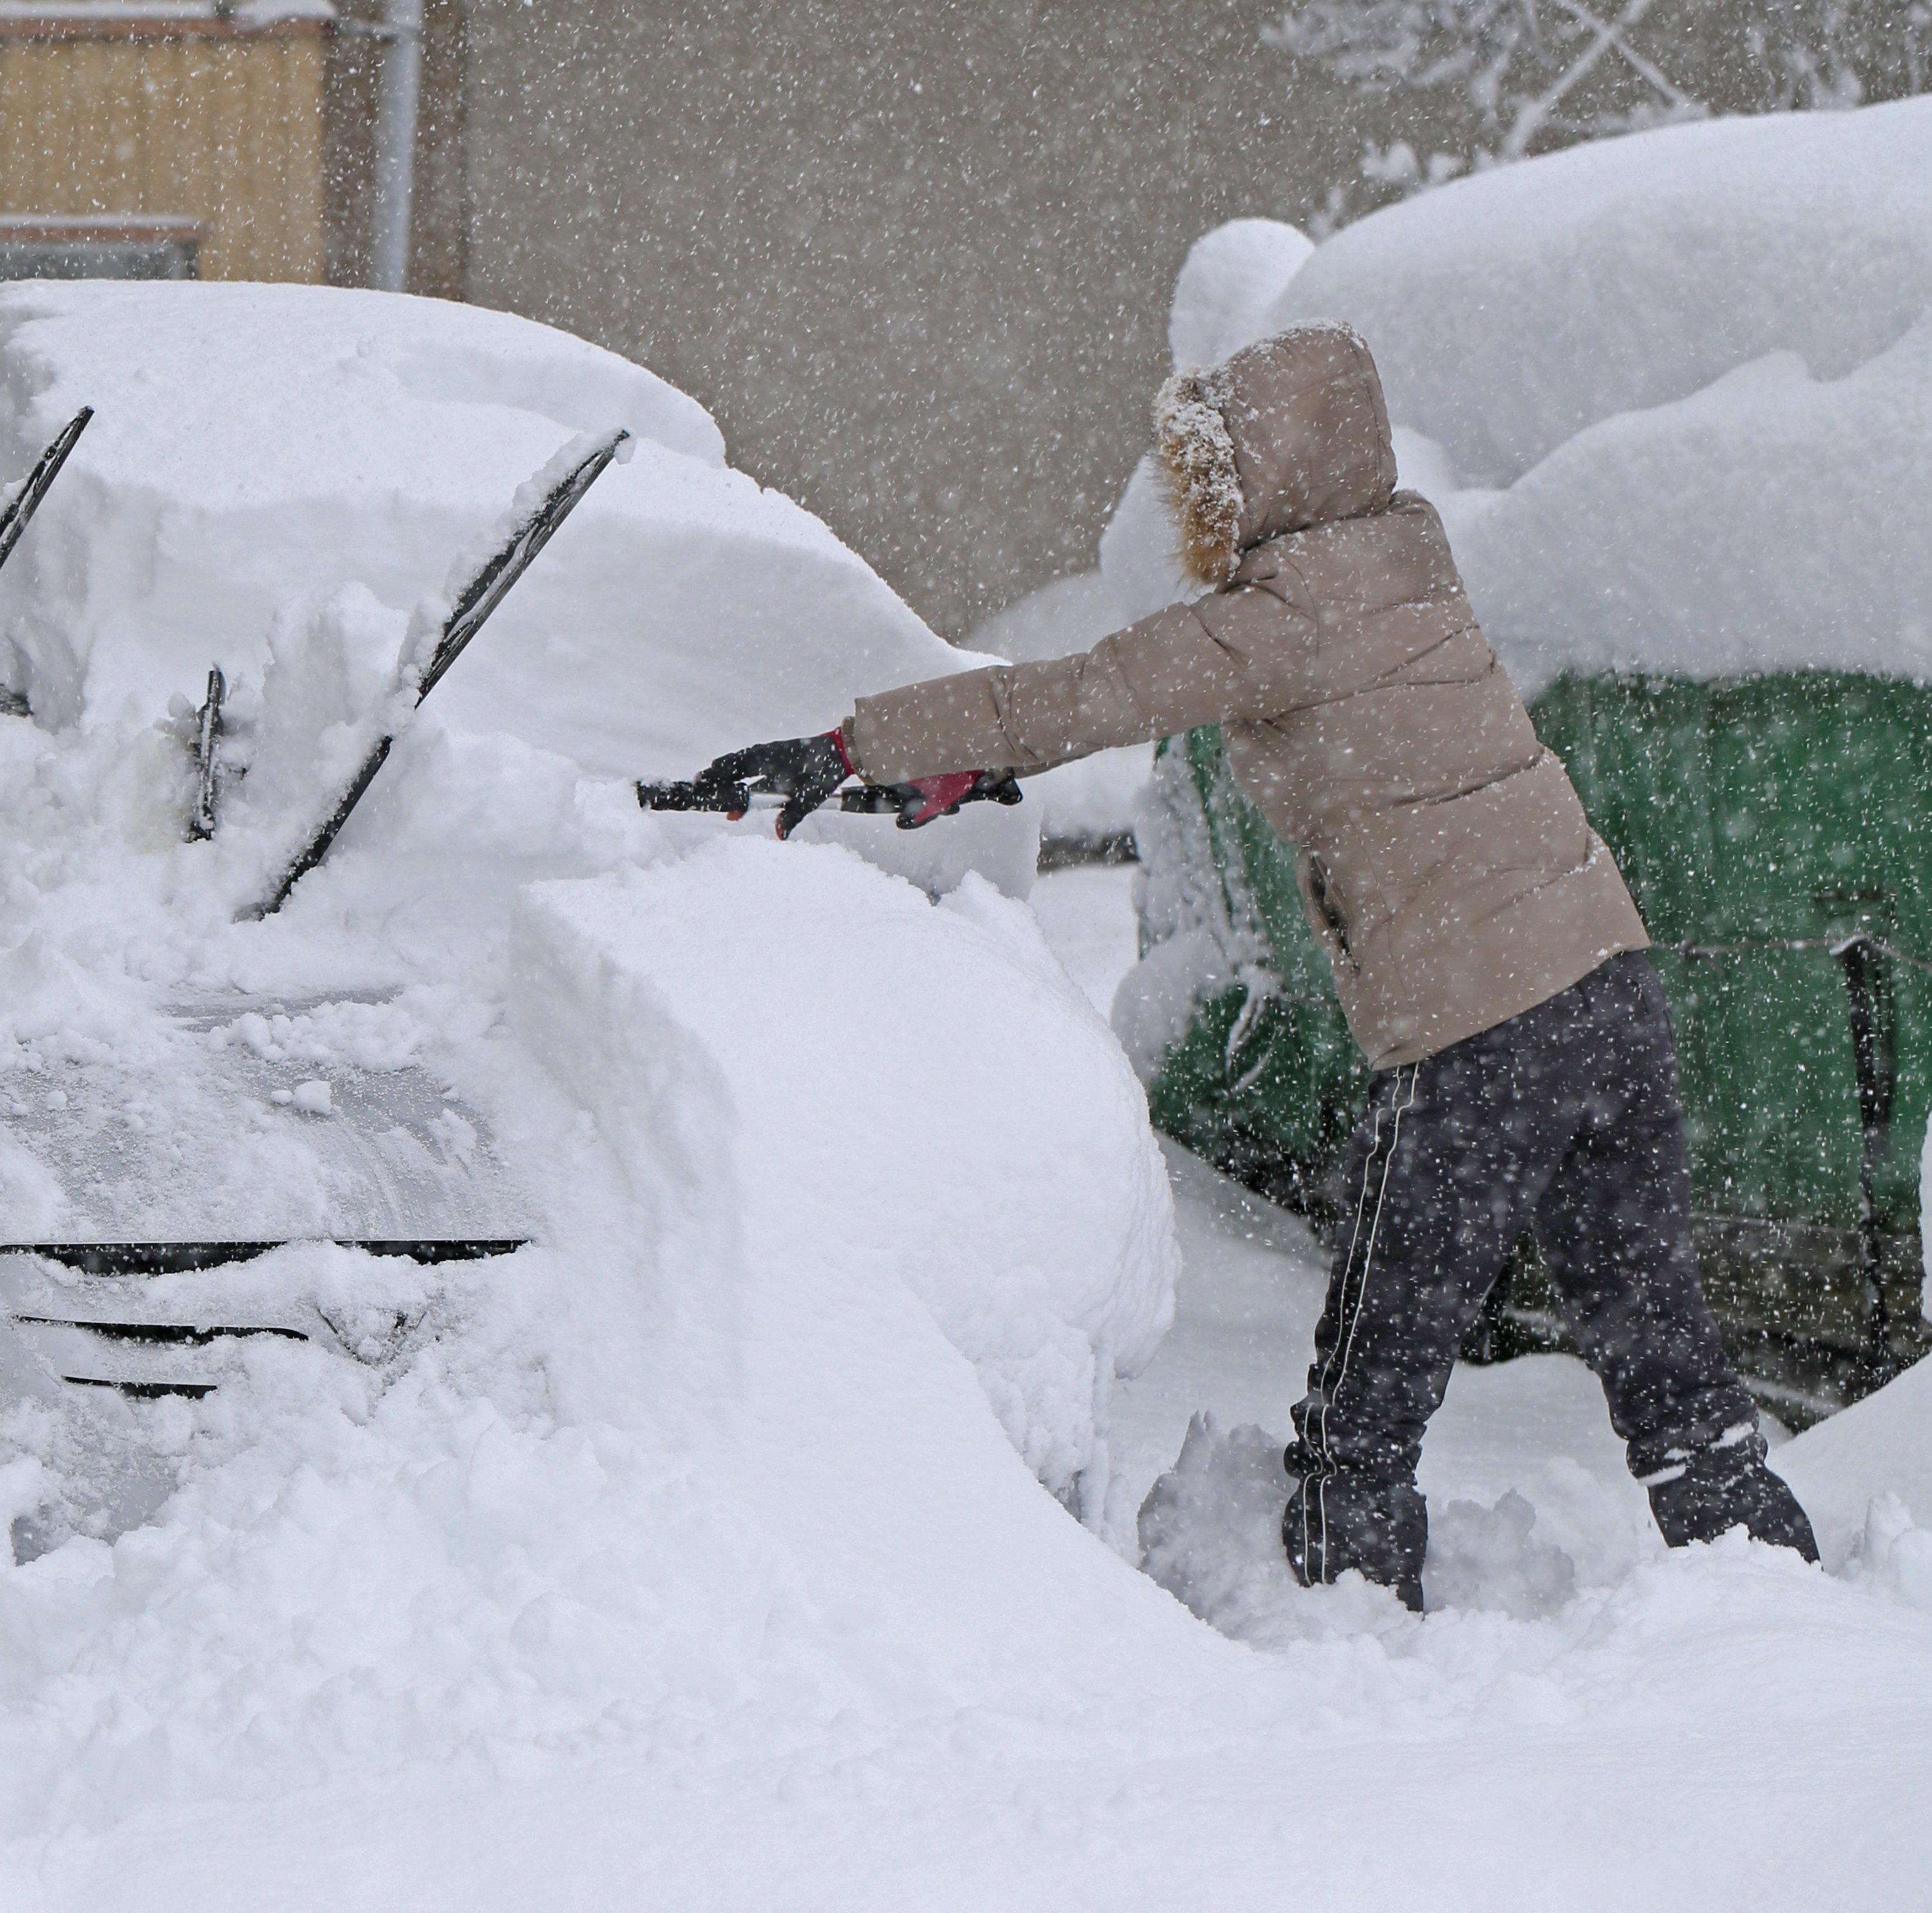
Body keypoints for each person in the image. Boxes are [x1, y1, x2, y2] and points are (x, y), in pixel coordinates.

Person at [683, 320, 1817, 1609]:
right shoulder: (1406, 559)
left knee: (1371, 1390)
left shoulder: (1283, 617)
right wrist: (973, 764)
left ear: (1263, 476)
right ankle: (1769, 1601)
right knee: (1664, 1354)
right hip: (1604, 983)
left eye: (1215, 472)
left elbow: (1090, 691)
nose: (1200, 503)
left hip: (1478, 1029)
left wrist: (852, 747)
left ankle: (1349, 1637)